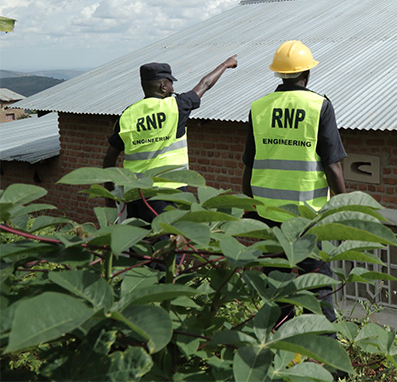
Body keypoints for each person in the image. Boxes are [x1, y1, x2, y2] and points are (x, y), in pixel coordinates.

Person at [241, 40, 347, 326]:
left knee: (277, 289)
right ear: (307, 73)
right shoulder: (318, 106)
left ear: (278, 74)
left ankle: (278, 350)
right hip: (307, 217)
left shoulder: (259, 107)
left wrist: (253, 207)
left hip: (269, 216)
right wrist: (345, 204)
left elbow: (248, 167)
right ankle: (326, 357)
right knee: (318, 288)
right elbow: (333, 165)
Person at [103, 56, 238, 220]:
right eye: (171, 83)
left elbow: (110, 158)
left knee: (139, 242)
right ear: (163, 86)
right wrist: (225, 65)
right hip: (168, 193)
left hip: (134, 194)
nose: (173, 87)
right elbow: (205, 84)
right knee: (167, 241)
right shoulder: (175, 107)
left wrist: (110, 194)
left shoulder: (128, 114)